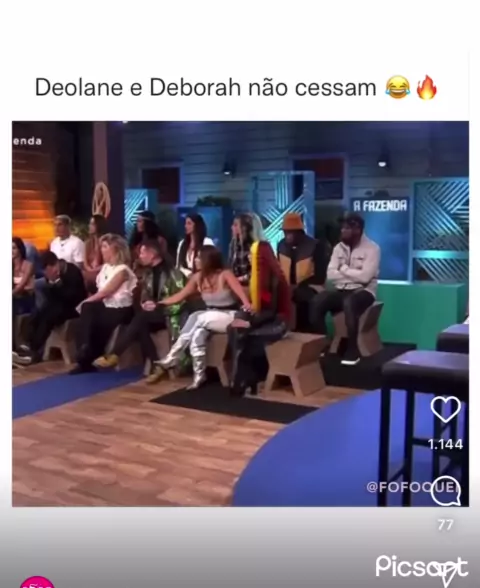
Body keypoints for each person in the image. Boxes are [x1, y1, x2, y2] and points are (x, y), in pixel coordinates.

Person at [152, 245, 251, 388]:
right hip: (209, 318)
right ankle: (199, 376)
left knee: (198, 317)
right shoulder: (197, 277)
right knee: (197, 335)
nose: (196, 260)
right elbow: (180, 296)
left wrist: (248, 305)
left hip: (230, 316)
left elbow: (242, 296)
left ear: (208, 260)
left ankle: (173, 356)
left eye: (199, 257)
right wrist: (158, 303)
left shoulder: (225, 274)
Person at [93, 239, 187, 382]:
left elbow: (181, 300)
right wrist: (145, 303)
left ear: (153, 254)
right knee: (141, 323)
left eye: (142, 253)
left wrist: (159, 306)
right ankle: (156, 365)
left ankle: (114, 353)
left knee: (140, 318)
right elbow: (145, 296)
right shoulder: (148, 274)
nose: (140, 256)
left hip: (171, 314)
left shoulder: (174, 274)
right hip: (152, 315)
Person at [312, 213, 381, 366]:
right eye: (342, 228)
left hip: (364, 292)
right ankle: (322, 343)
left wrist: (343, 269)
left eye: (347, 228)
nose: (342, 231)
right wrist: (353, 275)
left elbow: (365, 278)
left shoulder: (372, 248)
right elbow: (331, 275)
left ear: (358, 229)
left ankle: (353, 350)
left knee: (350, 302)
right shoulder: (338, 248)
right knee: (318, 300)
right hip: (342, 290)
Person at [228, 240, 292, 396]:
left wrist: (250, 322)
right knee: (234, 328)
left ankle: (243, 378)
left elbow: (271, 312)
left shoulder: (275, 280)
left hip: (277, 323)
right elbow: (258, 307)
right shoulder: (257, 277)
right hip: (262, 319)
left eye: (252, 254)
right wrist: (247, 313)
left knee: (246, 337)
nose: (249, 257)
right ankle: (245, 377)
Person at [69, 234, 137, 374]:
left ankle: (87, 354)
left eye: (105, 246)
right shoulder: (105, 267)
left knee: (89, 309)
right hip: (106, 305)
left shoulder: (123, 270)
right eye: (102, 246)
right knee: (88, 311)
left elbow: (107, 291)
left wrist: (85, 302)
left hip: (122, 309)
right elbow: (98, 289)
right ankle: (84, 350)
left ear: (116, 249)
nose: (102, 250)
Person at [12, 251, 86, 366]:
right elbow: (51, 296)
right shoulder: (50, 275)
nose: (46, 274)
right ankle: (27, 347)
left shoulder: (72, 271)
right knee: (37, 313)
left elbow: (72, 297)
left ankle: (34, 350)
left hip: (73, 307)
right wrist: (52, 283)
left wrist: (56, 282)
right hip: (58, 304)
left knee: (48, 318)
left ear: (54, 265)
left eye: (47, 270)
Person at [277, 213, 328, 331]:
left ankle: (308, 332)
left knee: (301, 295)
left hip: (313, 287)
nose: (287, 236)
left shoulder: (316, 246)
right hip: (289, 287)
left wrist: (297, 286)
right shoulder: (281, 246)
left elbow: (320, 276)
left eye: (291, 232)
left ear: (300, 232)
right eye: (285, 232)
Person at [12, 237, 35, 350]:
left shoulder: (28, 265)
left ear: (20, 249)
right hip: (14, 298)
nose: (11, 251)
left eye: (14, 248)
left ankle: (14, 346)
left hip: (26, 298)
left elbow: (21, 286)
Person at [228, 212, 264, 283]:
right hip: (237, 285)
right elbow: (231, 268)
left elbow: (258, 272)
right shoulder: (233, 244)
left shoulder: (256, 247)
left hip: (252, 285)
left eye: (235, 225)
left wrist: (239, 279)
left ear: (244, 228)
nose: (231, 228)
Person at [176, 213, 214, 278]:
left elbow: (210, 264)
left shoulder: (206, 242)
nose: (185, 226)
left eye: (189, 223)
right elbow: (178, 266)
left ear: (197, 225)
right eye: (185, 223)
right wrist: (188, 273)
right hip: (185, 279)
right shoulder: (182, 243)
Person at [83, 214, 108, 291]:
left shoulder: (106, 243)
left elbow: (107, 264)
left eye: (92, 224)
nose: (89, 226)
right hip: (90, 272)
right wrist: (90, 270)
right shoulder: (87, 243)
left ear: (99, 226)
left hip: (102, 272)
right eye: (90, 224)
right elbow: (85, 263)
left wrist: (94, 270)